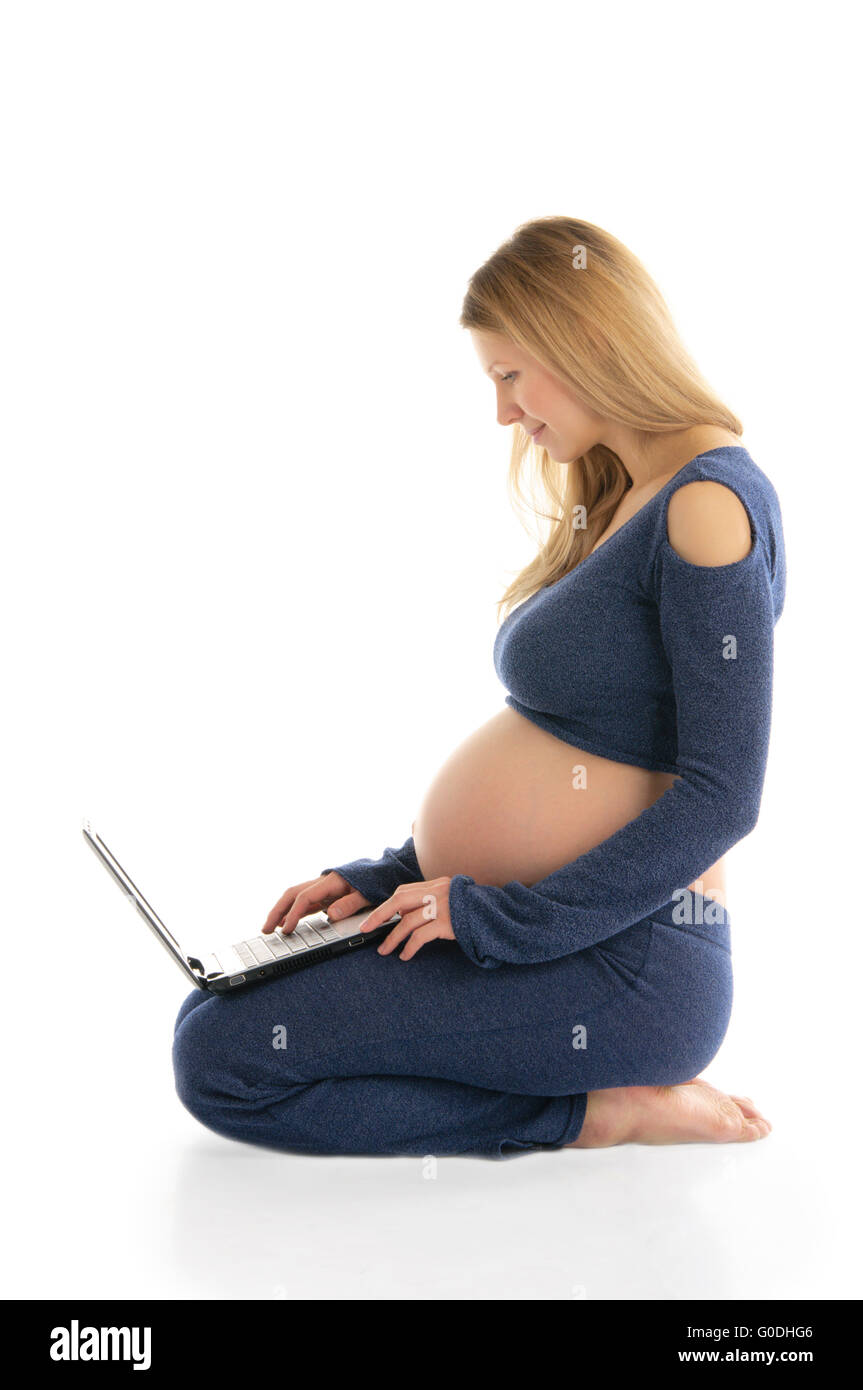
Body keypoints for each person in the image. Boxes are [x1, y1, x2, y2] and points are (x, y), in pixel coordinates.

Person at [173, 216, 785, 1158]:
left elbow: (722, 796)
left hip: (624, 970)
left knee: (225, 1060)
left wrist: (490, 917)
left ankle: (596, 1114)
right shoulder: (626, 492)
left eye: (508, 374)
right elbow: (576, 752)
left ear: (584, 339)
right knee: (213, 1013)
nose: (504, 412)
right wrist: (389, 878)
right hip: (543, 937)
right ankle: (569, 1090)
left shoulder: (705, 510)